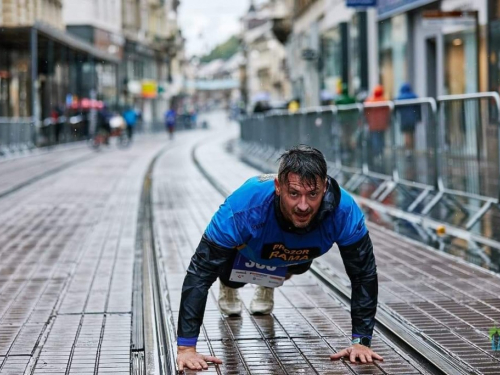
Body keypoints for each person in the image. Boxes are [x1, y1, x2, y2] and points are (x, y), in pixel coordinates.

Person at [176, 145, 382, 371]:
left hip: (297, 255)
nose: (303, 205)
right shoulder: (242, 207)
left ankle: (268, 282)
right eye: (294, 194)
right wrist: (187, 348)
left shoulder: (345, 211)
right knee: (229, 275)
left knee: (299, 266)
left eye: (312, 194)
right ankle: (230, 285)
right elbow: (200, 273)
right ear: (278, 187)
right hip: (246, 251)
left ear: (324, 188)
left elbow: (363, 274)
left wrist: (361, 342)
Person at [364, 85, 390, 161]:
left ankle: (376, 154)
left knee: (375, 140)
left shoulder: (369, 101)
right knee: (381, 140)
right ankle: (380, 154)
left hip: (373, 125)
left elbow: (365, 112)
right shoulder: (384, 101)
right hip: (382, 125)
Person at [395, 83, 420, 152]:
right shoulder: (414, 96)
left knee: (406, 134)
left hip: (404, 119)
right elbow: (418, 108)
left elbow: (396, 109)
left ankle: (408, 150)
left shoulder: (399, 98)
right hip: (412, 119)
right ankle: (412, 148)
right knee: (412, 134)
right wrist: (419, 118)